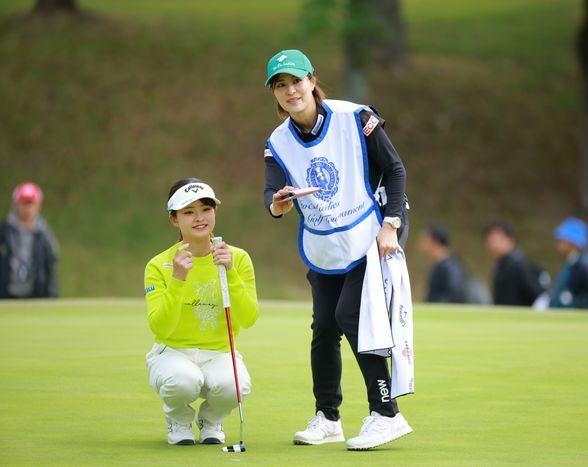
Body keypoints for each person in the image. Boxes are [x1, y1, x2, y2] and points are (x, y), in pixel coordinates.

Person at [262, 49, 412, 450]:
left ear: (312, 81)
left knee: (350, 314)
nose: (290, 90)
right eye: (281, 85)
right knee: (324, 326)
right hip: (327, 240)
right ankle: (328, 417)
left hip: (376, 226)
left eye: (296, 81)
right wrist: (278, 204)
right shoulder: (278, 142)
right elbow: (271, 193)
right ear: (275, 95)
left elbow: (395, 170)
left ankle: (386, 413)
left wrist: (391, 225)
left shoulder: (356, 118)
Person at [144, 178, 259, 445]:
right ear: (174, 219)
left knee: (236, 386)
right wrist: (178, 279)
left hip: (219, 351)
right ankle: (179, 419)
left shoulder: (237, 258)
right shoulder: (159, 265)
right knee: (184, 380)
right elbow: (161, 328)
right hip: (172, 352)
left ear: (215, 212)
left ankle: (211, 420)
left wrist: (230, 273)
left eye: (206, 209)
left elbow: (249, 317)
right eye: (188, 212)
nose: (199, 218)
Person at [0, 181, 59, 299]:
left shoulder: (44, 235)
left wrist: (52, 294)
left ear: (38, 206)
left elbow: (51, 265)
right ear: (15, 204)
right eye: (24, 203)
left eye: (31, 203)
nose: (27, 208)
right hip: (6, 294)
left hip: (35, 295)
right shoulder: (4, 230)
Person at [419, 224, 490, 304]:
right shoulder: (443, 265)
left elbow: (455, 296)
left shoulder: (450, 267)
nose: (421, 243)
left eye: (425, 239)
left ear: (435, 241)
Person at [550, 217, 588, 310]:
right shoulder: (573, 262)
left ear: (572, 241)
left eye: (562, 239)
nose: (559, 243)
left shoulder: (584, 265)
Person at [484, 221, 548, 307]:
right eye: (490, 240)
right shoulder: (501, 264)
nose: (493, 245)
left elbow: (538, 295)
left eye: (498, 240)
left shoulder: (517, 265)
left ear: (511, 240)